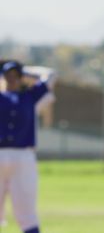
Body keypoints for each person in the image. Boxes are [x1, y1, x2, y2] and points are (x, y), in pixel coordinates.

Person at [0, 60, 56, 233]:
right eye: (8, 76)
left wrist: (26, 71)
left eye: (16, 76)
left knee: (26, 213)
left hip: (23, 158)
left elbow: (51, 74)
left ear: (21, 78)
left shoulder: (30, 97)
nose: (12, 79)